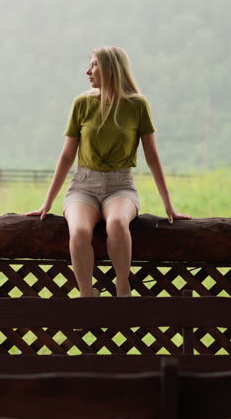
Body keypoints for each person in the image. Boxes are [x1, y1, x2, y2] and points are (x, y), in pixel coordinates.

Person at [25, 46, 191, 297]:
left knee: (116, 223)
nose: (87, 71)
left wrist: (169, 206)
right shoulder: (82, 103)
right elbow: (67, 155)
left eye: (94, 65)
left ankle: (122, 289)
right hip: (83, 185)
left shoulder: (137, 105)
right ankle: (86, 296)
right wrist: (46, 203)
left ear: (111, 69)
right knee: (79, 231)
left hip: (121, 186)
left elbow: (153, 157)